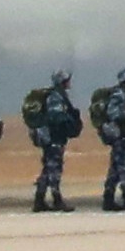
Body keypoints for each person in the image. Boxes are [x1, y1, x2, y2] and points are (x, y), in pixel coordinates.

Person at [21, 71, 83, 212]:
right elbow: (56, 117)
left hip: (52, 138)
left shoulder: (58, 96)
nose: (69, 82)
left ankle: (40, 199)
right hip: (54, 138)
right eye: (67, 80)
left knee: (48, 168)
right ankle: (56, 199)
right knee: (54, 169)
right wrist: (69, 122)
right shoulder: (56, 97)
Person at [92, 67, 125, 212]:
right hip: (120, 136)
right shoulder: (120, 94)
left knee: (115, 169)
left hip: (121, 136)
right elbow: (113, 113)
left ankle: (108, 198)